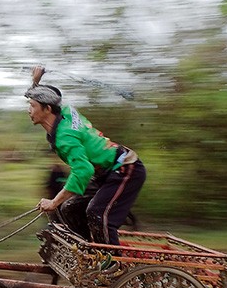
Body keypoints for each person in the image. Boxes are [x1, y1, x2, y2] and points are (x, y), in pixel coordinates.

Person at [26, 66, 146, 254]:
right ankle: (90, 252)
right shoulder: (63, 111)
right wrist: (36, 82)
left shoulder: (65, 136)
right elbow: (49, 98)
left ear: (47, 109)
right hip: (106, 172)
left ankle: (113, 266)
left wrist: (53, 202)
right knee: (70, 208)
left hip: (125, 169)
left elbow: (83, 171)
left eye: (32, 106)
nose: (29, 110)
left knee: (97, 214)